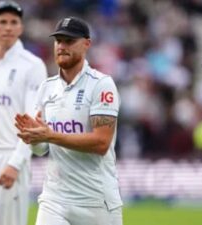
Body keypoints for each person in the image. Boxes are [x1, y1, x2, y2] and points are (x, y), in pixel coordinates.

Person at [15, 16, 123, 225]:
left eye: (69, 41)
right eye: (59, 41)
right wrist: (35, 138)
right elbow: (42, 150)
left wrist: (51, 135)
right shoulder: (47, 88)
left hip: (96, 201)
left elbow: (101, 143)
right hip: (55, 200)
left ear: (86, 44)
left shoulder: (101, 85)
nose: (62, 46)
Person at [0, 1, 47, 225]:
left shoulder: (32, 65)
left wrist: (16, 163)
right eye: (2, 22)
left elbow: (32, 122)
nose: (8, 27)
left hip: (10, 156)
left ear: (21, 28)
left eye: (14, 22)